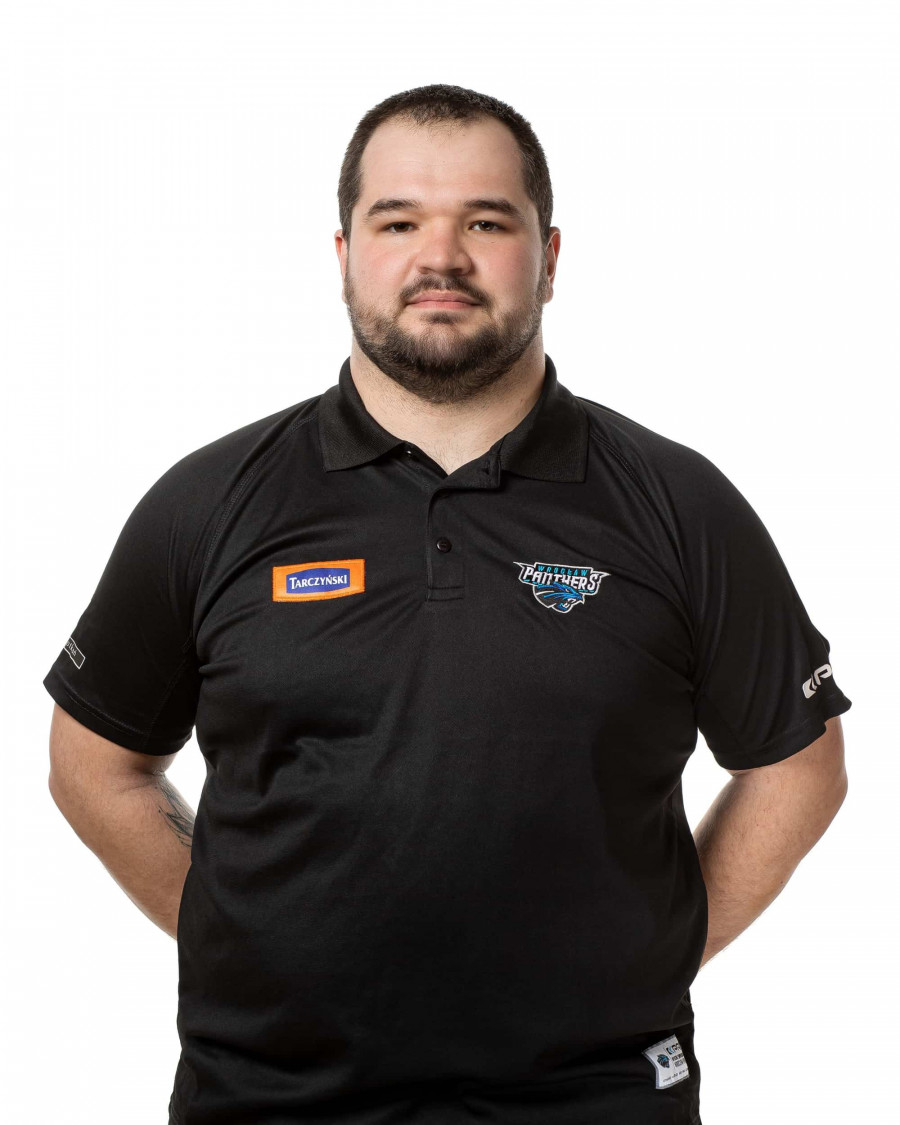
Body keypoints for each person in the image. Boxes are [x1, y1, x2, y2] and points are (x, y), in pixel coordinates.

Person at [44, 84, 852, 1125]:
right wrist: (244, 942)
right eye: (398, 223)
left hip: (597, 1103)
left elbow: (798, 766)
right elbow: (93, 765)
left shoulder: (678, 504)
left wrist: (651, 955)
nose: (441, 257)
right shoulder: (208, 503)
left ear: (548, 257)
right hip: (270, 1102)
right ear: (344, 255)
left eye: (484, 222)